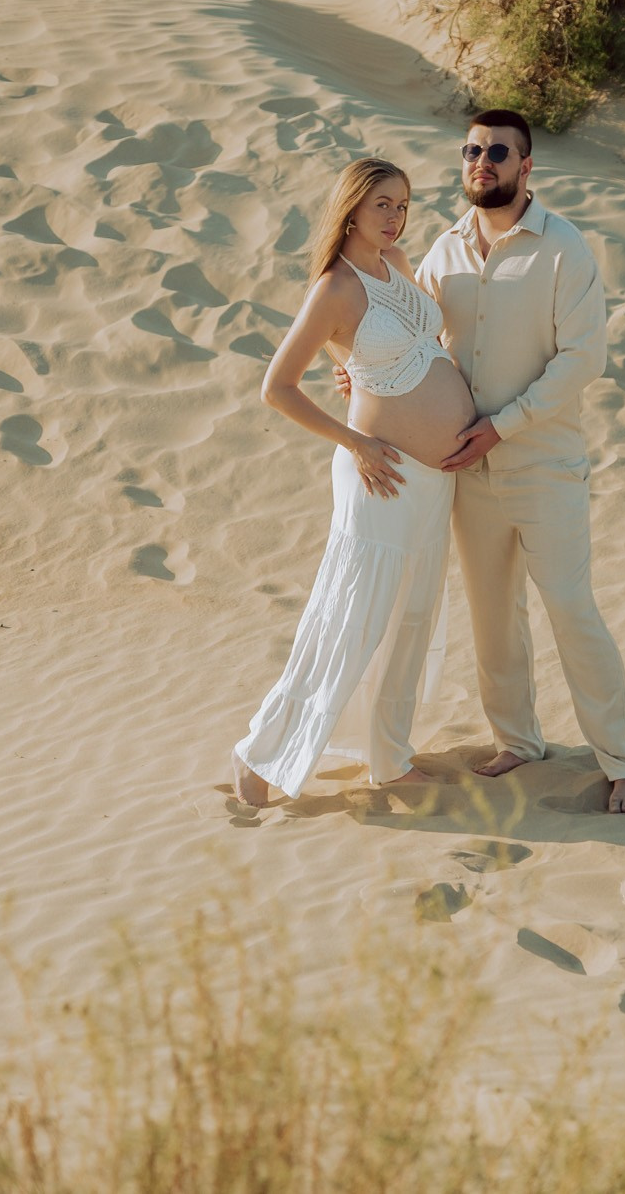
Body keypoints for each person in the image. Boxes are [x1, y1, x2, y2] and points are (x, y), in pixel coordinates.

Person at [417, 109, 625, 814]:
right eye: (470, 149)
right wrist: (357, 371)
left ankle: (623, 759)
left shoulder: (564, 248)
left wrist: (505, 426)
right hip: (469, 472)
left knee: (572, 611)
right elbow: (410, 334)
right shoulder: (444, 251)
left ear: (526, 168)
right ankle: (517, 738)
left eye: (496, 151)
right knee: (493, 616)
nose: (480, 160)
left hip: (545, 467)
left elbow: (584, 358)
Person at [232, 156, 481, 807]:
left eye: (403, 205)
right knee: (353, 618)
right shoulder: (336, 287)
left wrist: (355, 368)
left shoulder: (394, 265)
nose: (396, 217)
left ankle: (389, 756)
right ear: (351, 208)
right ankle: (262, 757)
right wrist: (355, 439)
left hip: (432, 480)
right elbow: (276, 387)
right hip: (383, 476)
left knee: (411, 618)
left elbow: (393, 351)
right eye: (382, 206)